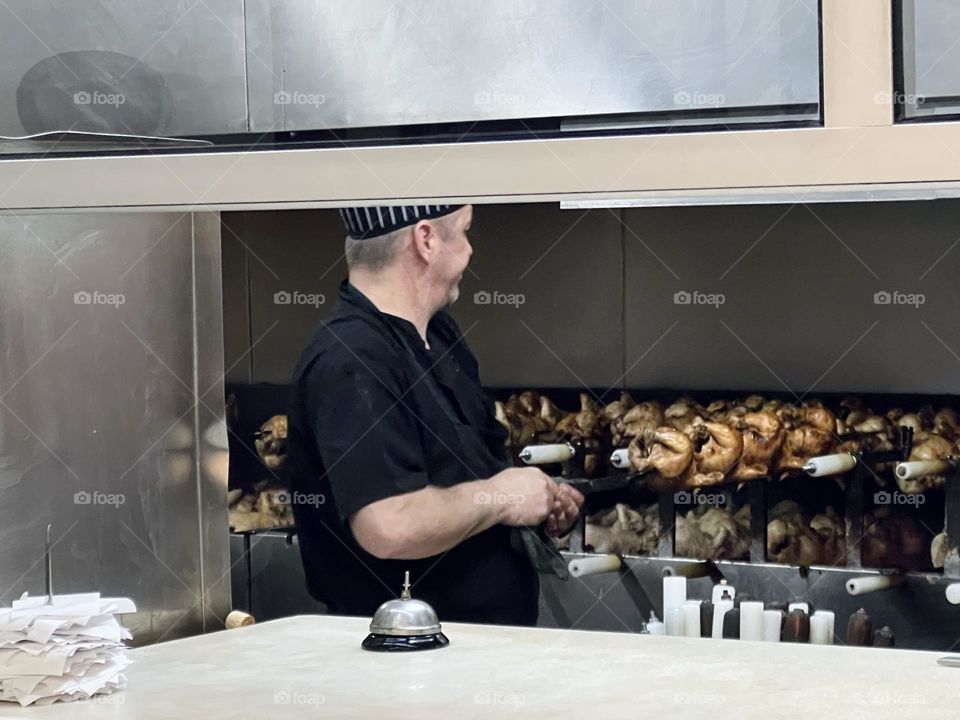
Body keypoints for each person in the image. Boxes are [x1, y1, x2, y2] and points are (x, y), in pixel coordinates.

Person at [285, 204, 584, 625]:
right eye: (463, 232)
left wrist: (533, 501)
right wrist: (501, 498)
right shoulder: (351, 359)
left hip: (474, 651)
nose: (469, 251)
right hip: (405, 659)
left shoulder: (439, 335)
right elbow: (389, 525)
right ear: (425, 240)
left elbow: (474, 476)